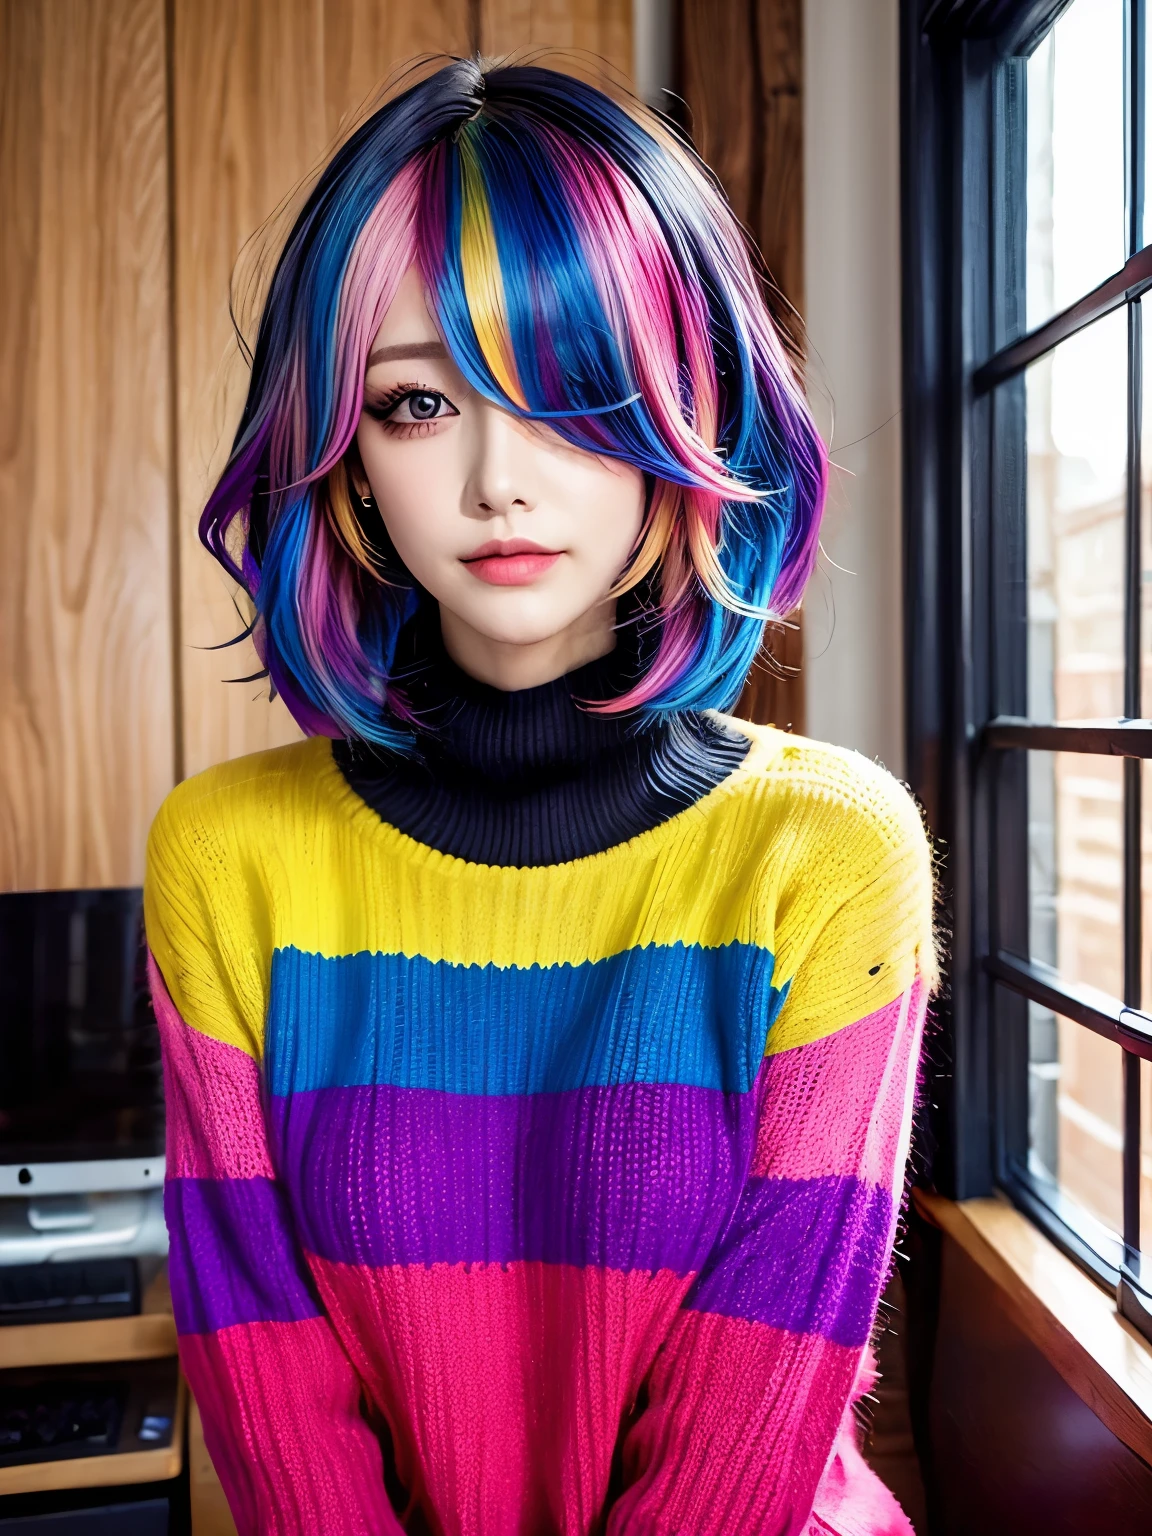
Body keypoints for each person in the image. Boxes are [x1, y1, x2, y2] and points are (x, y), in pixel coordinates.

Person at [143, 56, 936, 1536]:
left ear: (693, 410)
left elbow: (749, 1428)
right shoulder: (226, 855)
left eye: (573, 396)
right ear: (349, 459)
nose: (502, 478)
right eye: (422, 401)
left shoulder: (826, 852)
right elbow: (264, 1385)